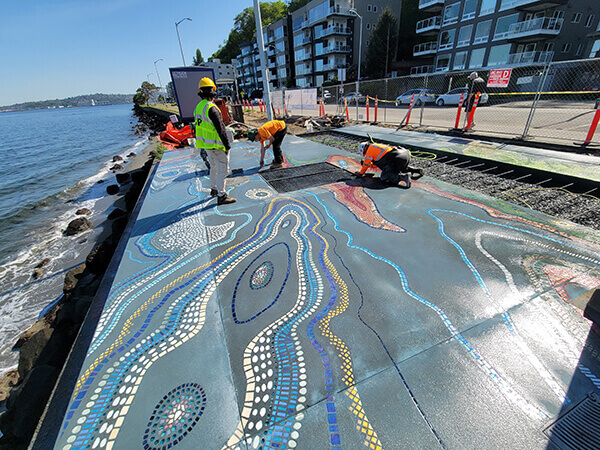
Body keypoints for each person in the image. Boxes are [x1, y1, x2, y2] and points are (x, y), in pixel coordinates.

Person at [194, 77, 236, 205]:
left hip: (206, 146)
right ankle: (221, 195)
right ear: (213, 91)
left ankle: (213, 189)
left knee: (213, 168)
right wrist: (227, 146)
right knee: (223, 170)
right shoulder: (212, 108)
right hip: (216, 146)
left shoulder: (198, 107)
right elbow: (221, 129)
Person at [354, 141, 423, 188]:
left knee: (384, 177)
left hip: (396, 157)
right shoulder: (375, 146)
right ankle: (414, 170)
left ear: (364, 150)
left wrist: (361, 173)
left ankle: (404, 177)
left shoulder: (369, 151)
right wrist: (370, 165)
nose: (365, 155)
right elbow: (377, 164)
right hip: (403, 154)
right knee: (397, 167)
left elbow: (366, 164)